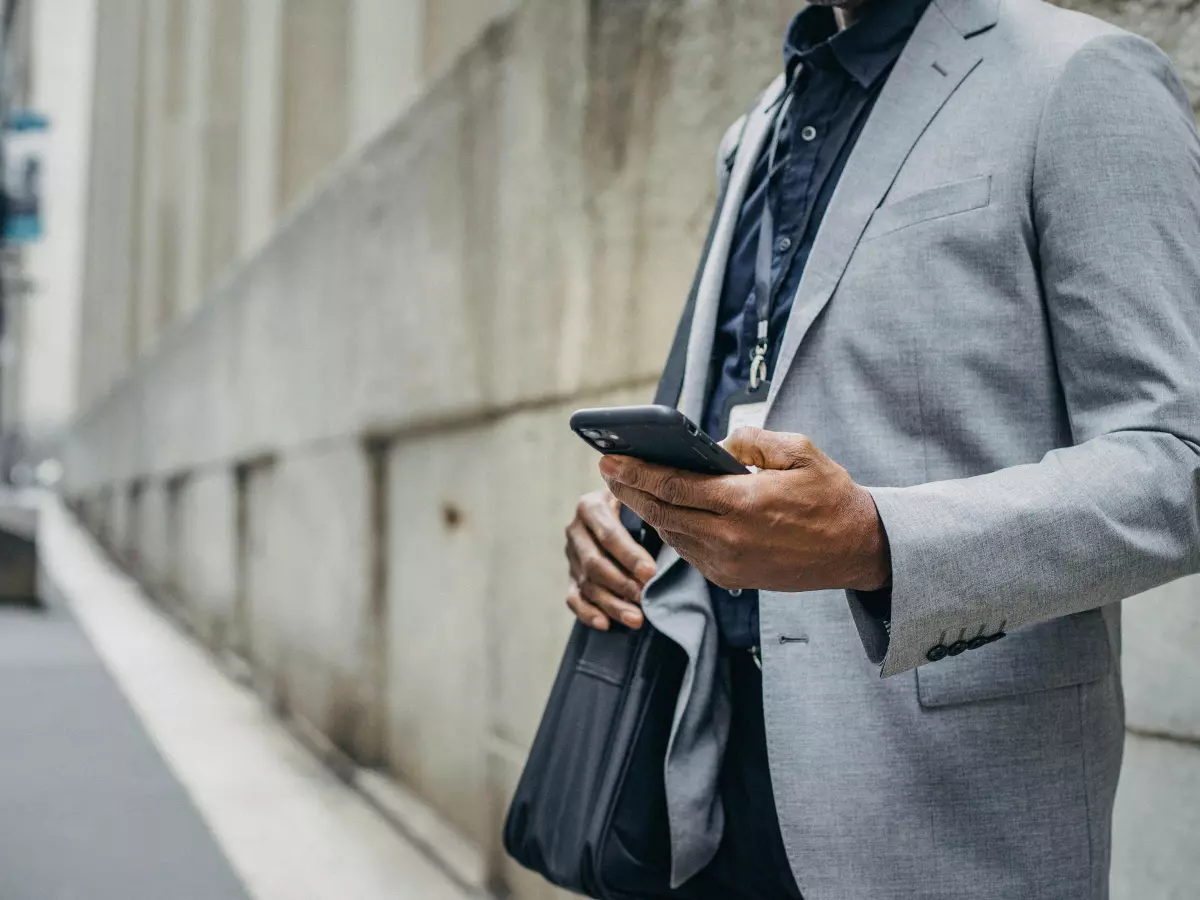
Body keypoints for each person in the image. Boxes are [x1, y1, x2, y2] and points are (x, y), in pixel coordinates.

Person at [562, 0, 1200, 897]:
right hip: (703, 785)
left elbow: (1178, 460)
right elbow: (738, 406)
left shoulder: (1083, 78)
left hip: (938, 810)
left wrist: (877, 539)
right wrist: (634, 517)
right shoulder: (756, 130)